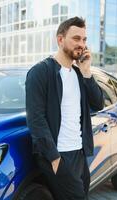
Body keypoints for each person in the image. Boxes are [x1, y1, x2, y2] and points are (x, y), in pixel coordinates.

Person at [25, 16, 104, 200]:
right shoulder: (41, 72)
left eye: (84, 39)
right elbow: (36, 118)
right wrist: (54, 158)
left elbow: (98, 103)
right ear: (60, 40)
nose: (82, 44)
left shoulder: (78, 74)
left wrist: (86, 72)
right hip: (58, 155)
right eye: (76, 38)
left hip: (79, 154)